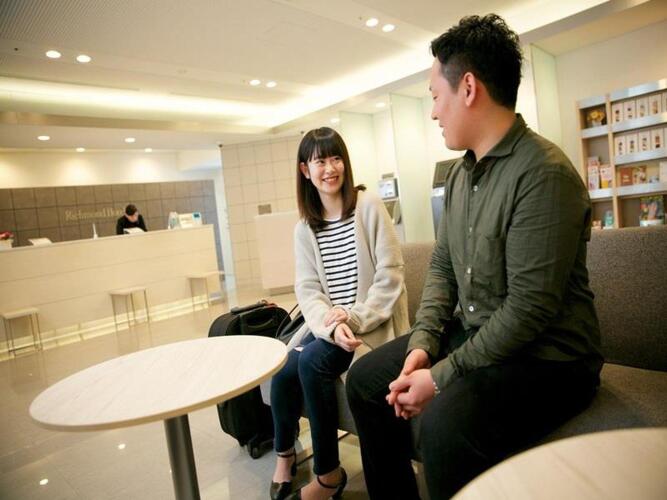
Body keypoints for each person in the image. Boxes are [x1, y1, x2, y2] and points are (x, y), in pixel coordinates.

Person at [346, 14, 603, 500]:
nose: (433, 112)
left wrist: (440, 376)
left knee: (444, 425)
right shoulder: (460, 177)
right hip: (478, 333)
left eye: (434, 96)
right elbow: (444, 267)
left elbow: (528, 310)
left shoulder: (544, 174)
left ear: (468, 88)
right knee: (364, 380)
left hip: (550, 359)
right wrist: (422, 344)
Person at [269, 127, 409, 500]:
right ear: (305, 170)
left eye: (336, 159)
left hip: (372, 324)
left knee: (312, 361)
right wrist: (330, 327)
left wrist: (353, 318)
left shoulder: (368, 206)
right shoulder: (304, 228)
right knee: (282, 367)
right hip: (331, 327)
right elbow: (308, 290)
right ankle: (284, 456)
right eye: (320, 161)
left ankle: (328, 476)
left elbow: (391, 275)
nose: (330, 169)